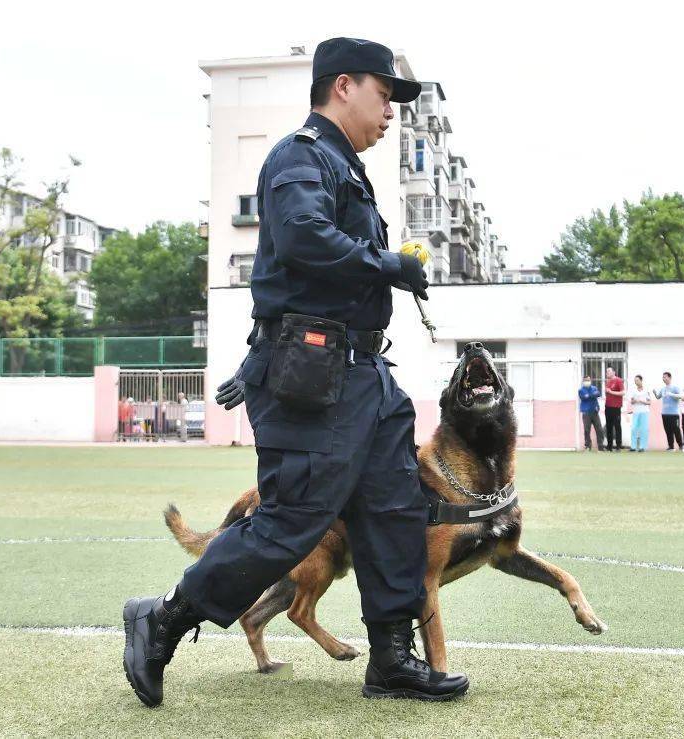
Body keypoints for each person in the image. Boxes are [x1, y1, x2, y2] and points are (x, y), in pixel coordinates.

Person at [121, 38, 469, 708]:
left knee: (394, 510)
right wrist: (392, 264)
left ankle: (393, 658)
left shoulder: (344, 167)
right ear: (343, 85)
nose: (392, 112)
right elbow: (307, 239)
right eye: (384, 93)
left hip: (365, 372)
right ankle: (162, 618)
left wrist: (385, 271)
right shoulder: (299, 156)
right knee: (291, 521)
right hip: (310, 372)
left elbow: (332, 252)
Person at [653, 372, 683, 451]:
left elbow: (680, 396)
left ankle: (681, 445)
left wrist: (672, 394)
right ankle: (671, 446)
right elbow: (658, 397)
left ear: (670, 378)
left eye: (665, 377)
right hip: (665, 413)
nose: (664, 379)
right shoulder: (663, 389)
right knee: (668, 430)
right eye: (663, 377)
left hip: (674, 413)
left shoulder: (675, 388)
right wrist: (655, 393)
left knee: (676, 429)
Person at [578, 376, 605, 452]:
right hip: (586, 412)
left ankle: (600, 446)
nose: (587, 381)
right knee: (587, 430)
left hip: (595, 412)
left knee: (599, 429)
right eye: (586, 380)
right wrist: (592, 395)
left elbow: (598, 394)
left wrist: (590, 395)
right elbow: (584, 397)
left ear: (590, 380)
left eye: (588, 380)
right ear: (583, 381)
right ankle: (588, 446)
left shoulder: (594, 388)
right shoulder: (581, 390)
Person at [627, 374, 651, 452]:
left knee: (644, 429)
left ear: (641, 380)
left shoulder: (646, 390)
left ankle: (642, 447)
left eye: (637, 380)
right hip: (636, 412)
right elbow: (632, 401)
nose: (636, 382)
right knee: (634, 428)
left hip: (644, 412)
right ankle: (633, 447)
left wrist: (642, 401)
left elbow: (649, 402)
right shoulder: (633, 391)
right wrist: (635, 400)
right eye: (635, 380)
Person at [602, 367, 625, 452]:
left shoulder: (619, 380)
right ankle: (609, 446)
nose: (607, 373)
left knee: (617, 426)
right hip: (608, 407)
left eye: (608, 371)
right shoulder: (607, 382)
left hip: (616, 407)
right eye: (606, 371)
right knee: (609, 426)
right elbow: (607, 393)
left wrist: (611, 392)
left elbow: (623, 392)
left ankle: (618, 446)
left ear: (614, 372)